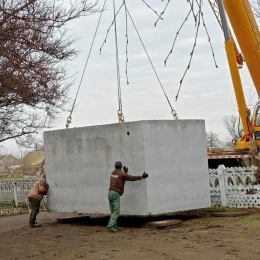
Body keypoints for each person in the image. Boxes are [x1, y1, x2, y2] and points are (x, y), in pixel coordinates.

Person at [107, 161, 149, 232]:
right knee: (116, 210)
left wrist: (125, 173)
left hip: (110, 193)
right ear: (121, 166)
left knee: (113, 211)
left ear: (115, 166)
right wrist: (141, 176)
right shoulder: (121, 174)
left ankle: (114, 225)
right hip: (115, 193)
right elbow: (131, 178)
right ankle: (111, 225)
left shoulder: (112, 173)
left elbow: (120, 177)